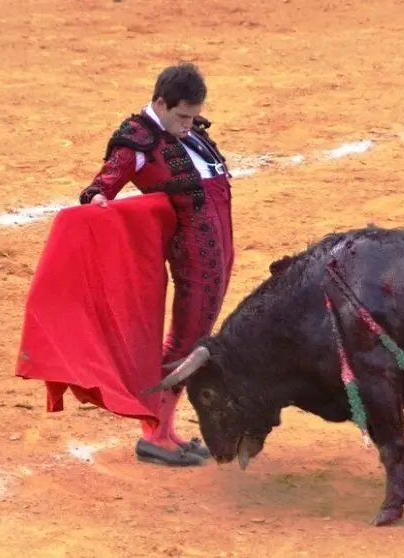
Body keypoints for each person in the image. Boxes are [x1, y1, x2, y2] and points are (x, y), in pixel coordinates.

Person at [78, 62, 236, 467]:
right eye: (182, 116)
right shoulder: (137, 142)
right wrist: (98, 198)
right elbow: (102, 185)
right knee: (186, 343)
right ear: (161, 104)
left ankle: (165, 430)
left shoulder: (188, 133)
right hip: (194, 261)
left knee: (195, 341)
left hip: (218, 256)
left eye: (193, 117)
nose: (188, 125)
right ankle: (154, 434)